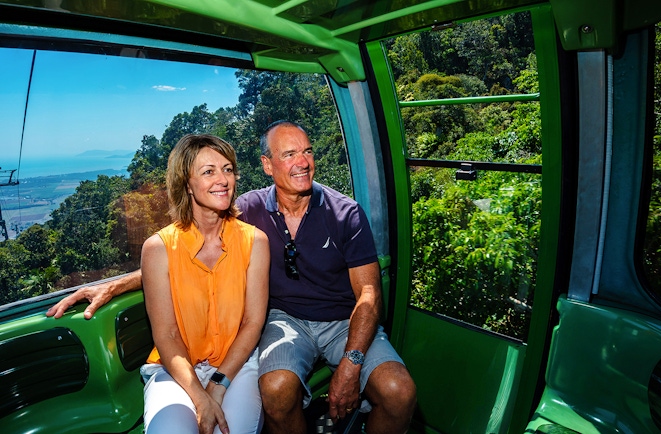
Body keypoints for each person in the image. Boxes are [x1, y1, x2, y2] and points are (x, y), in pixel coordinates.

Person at [48, 121, 417, 434]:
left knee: (399, 391)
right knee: (275, 388)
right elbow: (177, 252)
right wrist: (116, 283)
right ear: (267, 165)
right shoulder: (250, 210)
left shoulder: (342, 213)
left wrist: (351, 365)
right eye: (288, 155)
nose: (302, 163)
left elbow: (368, 294)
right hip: (285, 319)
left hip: (341, 321)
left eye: (307, 151)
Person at [138, 134, 269, 434]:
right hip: (175, 370)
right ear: (186, 183)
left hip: (235, 366)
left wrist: (219, 386)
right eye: (208, 171)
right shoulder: (158, 248)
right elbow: (167, 334)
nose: (223, 180)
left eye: (227, 169)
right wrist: (200, 398)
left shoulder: (254, 242)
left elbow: (252, 323)